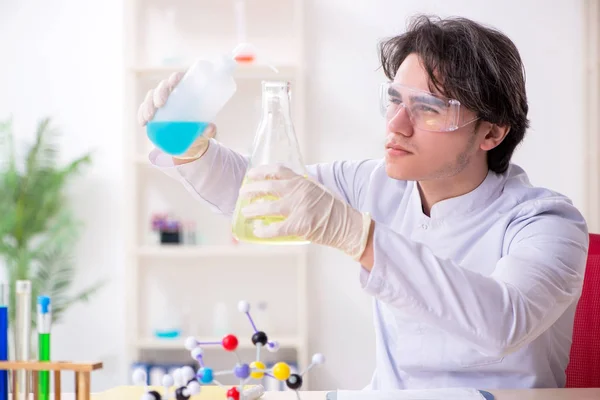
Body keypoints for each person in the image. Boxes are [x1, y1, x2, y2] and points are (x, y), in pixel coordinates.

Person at [137, 15, 589, 391]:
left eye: (428, 108)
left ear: (491, 133)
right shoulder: (372, 183)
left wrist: (359, 235)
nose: (395, 125)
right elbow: (257, 195)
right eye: (394, 100)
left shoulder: (546, 222)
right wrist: (193, 152)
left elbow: (502, 323)